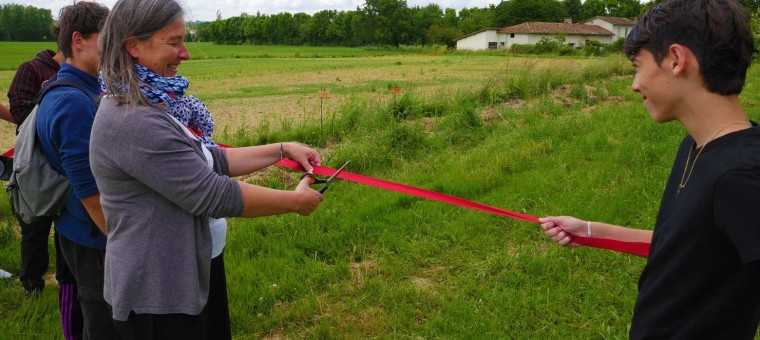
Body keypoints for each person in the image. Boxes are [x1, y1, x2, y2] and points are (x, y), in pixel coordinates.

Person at [91, 0, 324, 338]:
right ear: (133, 46)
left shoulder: (153, 104)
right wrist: (295, 202)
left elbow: (210, 159)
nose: (185, 53)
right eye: (173, 42)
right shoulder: (134, 121)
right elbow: (211, 194)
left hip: (183, 274)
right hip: (156, 293)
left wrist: (281, 149)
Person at [540, 0, 760, 338]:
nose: (634, 84)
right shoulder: (697, 145)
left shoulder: (742, 177)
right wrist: (589, 231)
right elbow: (689, 247)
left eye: (637, 67)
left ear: (676, 59)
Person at [35, 2, 113, 339]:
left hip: (76, 226)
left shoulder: (79, 88)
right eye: (106, 39)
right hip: (92, 232)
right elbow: (91, 191)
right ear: (78, 41)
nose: (114, 48)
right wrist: (122, 238)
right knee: (103, 320)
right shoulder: (73, 101)